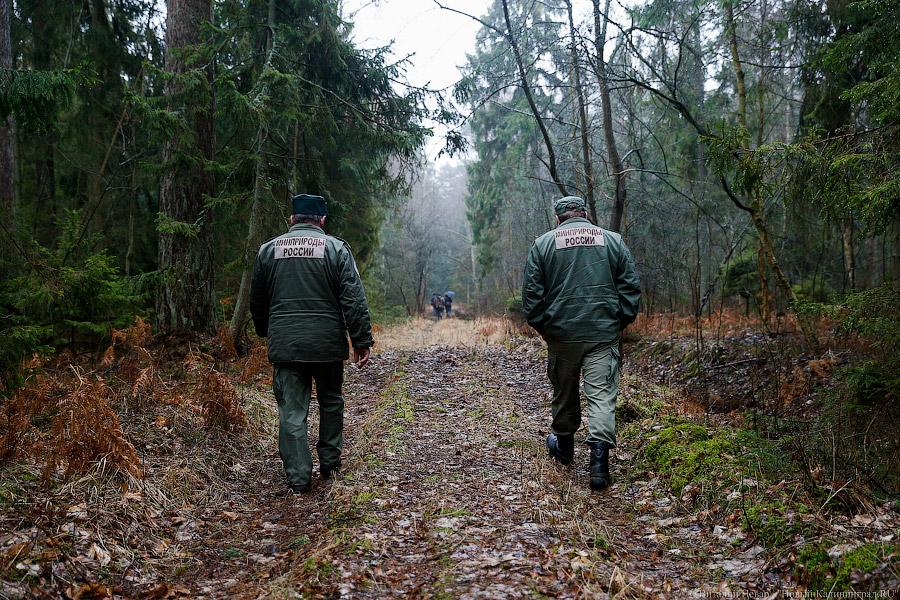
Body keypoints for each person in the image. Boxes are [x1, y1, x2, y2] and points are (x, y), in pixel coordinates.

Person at [249, 194, 373, 494]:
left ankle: (298, 477)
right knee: (331, 402)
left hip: (286, 345)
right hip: (327, 344)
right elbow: (353, 299)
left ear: (292, 218)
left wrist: (267, 331)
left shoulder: (268, 251)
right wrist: (361, 339)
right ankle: (330, 466)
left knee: (292, 411)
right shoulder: (336, 250)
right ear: (322, 220)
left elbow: (258, 301)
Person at [522, 196, 641, 490]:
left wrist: (545, 328)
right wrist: (618, 322)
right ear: (585, 214)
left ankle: (564, 450)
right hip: (602, 333)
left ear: (558, 218)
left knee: (564, 392)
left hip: (562, 334)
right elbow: (630, 286)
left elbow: (532, 296)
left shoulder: (543, 244)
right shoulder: (612, 241)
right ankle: (599, 467)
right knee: (601, 397)